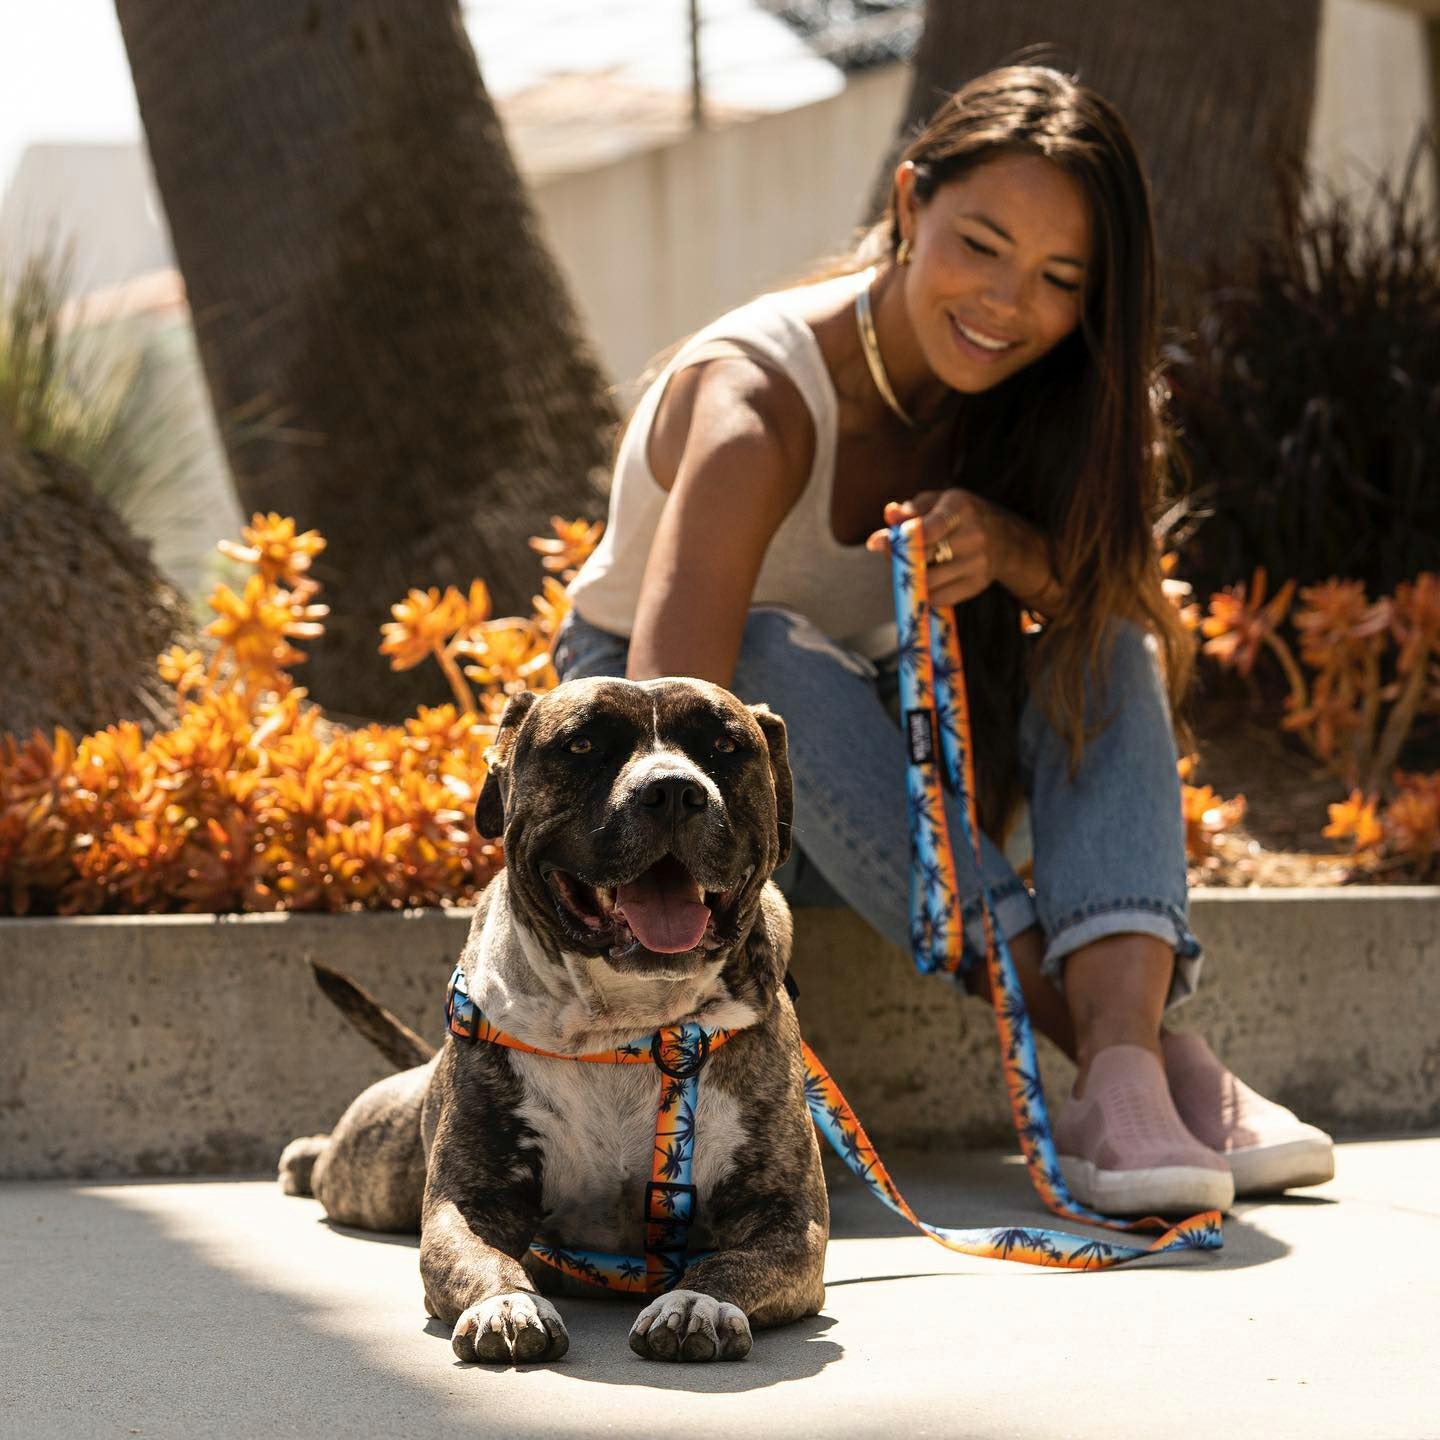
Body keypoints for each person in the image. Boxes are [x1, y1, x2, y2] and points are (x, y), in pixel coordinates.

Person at [553, 65, 1333, 1215]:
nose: (1008, 303)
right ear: (910, 202)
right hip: (677, 784)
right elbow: (662, 731)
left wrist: (1011, 549)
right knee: (764, 657)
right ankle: (1142, 1063)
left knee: (1105, 635)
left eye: (1060, 279)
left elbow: (1106, 608)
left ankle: (1123, 1068)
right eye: (982, 244)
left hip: (879, 768)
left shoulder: (1028, 395)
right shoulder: (756, 406)